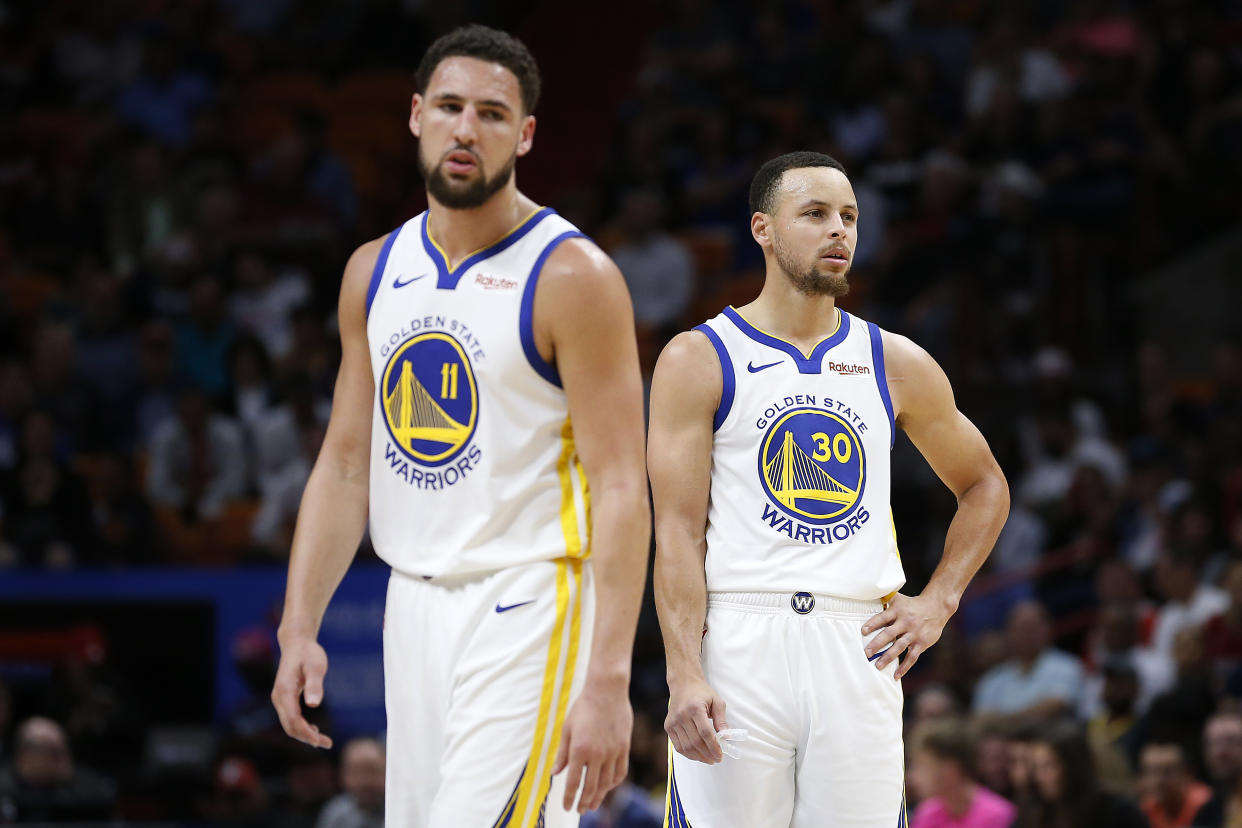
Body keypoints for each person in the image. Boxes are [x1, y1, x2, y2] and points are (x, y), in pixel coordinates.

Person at [270, 24, 650, 828]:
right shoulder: (373, 270)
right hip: (412, 605)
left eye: (491, 113)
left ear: (527, 133)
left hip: (531, 599)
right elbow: (344, 466)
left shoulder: (572, 276)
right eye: (449, 107)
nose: (466, 129)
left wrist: (610, 677)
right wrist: (298, 625)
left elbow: (623, 484)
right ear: (414, 115)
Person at [648, 151, 1010, 827]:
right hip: (737, 638)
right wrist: (682, 672)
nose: (839, 231)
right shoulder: (699, 357)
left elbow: (985, 485)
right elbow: (675, 532)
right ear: (763, 229)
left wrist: (938, 602)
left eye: (848, 216)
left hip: (858, 639)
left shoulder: (894, 361)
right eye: (814, 215)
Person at [1014, 721, 1147, 828]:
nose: (1039, 777)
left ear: (1073, 766)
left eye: (1048, 766)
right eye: (1036, 767)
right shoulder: (1033, 810)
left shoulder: (1117, 812)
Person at [907, 719, 1016, 828]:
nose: (912, 777)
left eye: (922, 766)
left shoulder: (997, 815)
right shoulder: (927, 812)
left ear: (950, 770)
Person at [1138, 740, 1211, 828]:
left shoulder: (1206, 805)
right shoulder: (1146, 808)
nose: (1158, 781)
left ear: (1188, 774)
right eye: (1152, 773)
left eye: (1167, 772)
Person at [316, 737, 385, 828]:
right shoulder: (335, 813)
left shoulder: (400, 810)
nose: (364, 781)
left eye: (371, 771)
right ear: (343, 775)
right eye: (357, 772)